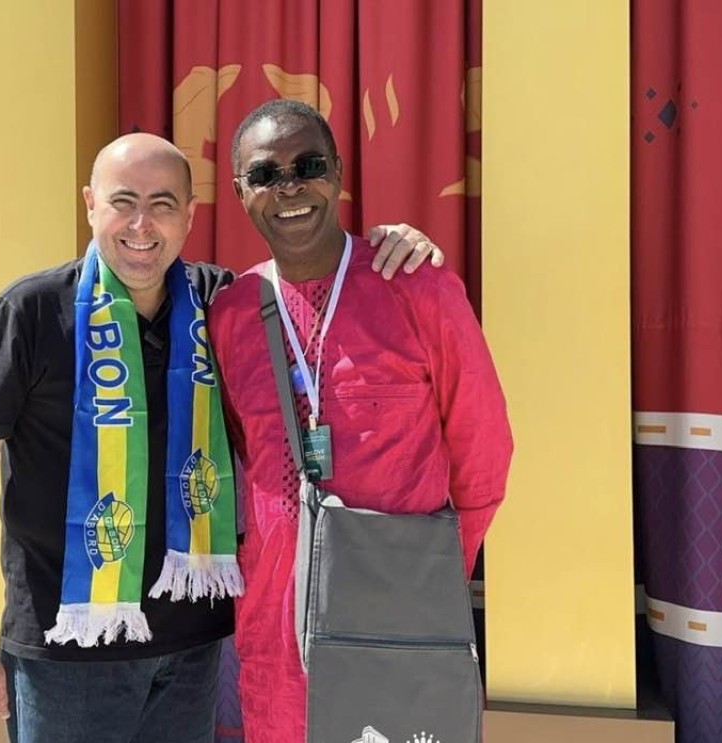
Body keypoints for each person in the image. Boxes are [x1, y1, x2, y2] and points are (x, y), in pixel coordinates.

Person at [0, 131, 442, 743]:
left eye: (163, 204)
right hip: (67, 652)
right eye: (123, 202)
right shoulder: (31, 313)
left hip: (192, 648)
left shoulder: (221, 303)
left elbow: (317, 293)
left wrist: (393, 246)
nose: (141, 225)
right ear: (90, 204)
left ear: (191, 215)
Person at [207, 100, 514, 742]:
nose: (289, 187)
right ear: (240, 192)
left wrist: (423, 572)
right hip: (277, 641)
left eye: (308, 166)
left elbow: (483, 450)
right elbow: (241, 450)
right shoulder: (232, 313)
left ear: (339, 173)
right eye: (264, 174)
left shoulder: (417, 286)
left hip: (395, 625)